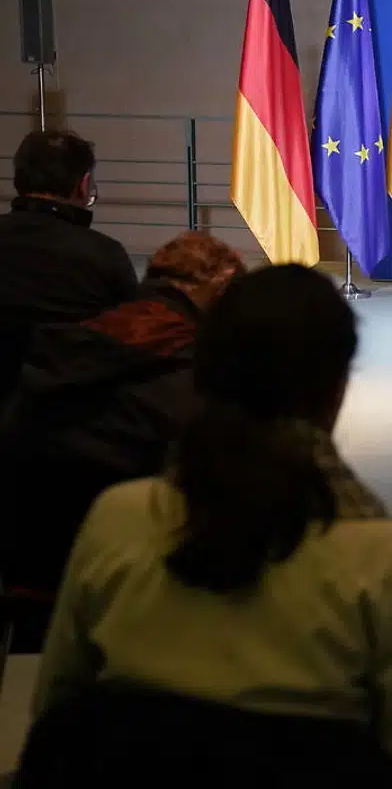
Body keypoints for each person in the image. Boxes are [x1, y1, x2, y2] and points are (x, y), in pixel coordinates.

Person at [28, 265, 392, 789]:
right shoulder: (381, 558)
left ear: (202, 372)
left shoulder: (116, 517)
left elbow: (55, 708)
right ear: (336, 391)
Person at [0, 231, 246, 651]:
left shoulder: (63, 347)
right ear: (219, 292)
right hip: (140, 597)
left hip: (29, 575)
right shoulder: (195, 382)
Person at [0, 130, 138, 404]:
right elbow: (135, 341)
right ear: (83, 186)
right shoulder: (105, 255)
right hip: (75, 412)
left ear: (18, 180)